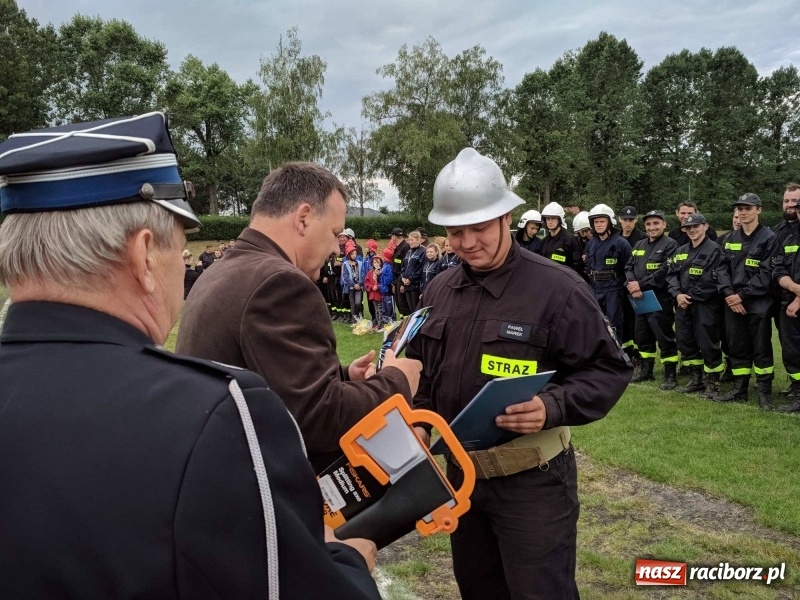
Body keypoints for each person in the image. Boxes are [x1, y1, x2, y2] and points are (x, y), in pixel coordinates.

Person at [0, 113, 381, 599]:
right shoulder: (219, 414)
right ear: (142, 257)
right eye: (179, 251)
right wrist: (349, 563)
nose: (182, 273)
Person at [407, 148, 631, 600]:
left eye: (480, 228)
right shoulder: (440, 289)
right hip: (462, 479)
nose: (467, 242)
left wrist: (553, 406)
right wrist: (415, 418)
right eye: (455, 231)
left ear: (507, 217)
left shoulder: (558, 289)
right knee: (478, 590)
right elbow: (423, 372)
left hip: (533, 483)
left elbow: (609, 369)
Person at [177, 162, 421, 472]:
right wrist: (397, 381)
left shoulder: (223, 270)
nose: (337, 248)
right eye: (335, 233)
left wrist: (342, 377)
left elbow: (266, 382)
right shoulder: (280, 283)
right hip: (258, 489)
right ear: (303, 218)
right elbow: (320, 419)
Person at [716, 193, 778, 409]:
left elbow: (766, 273)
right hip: (732, 301)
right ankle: (739, 388)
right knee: (736, 346)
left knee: (761, 347)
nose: (743, 213)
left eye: (748, 208)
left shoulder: (769, 238)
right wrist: (728, 294)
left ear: (759, 210)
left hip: (757, 302)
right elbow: (721, 269)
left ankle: (764, 392)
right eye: (740, 209)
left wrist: (741, 296)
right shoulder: (730, 238)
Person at [666, 213, 732, 398]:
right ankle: (697, 379)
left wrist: (690, 296)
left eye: (696, 226)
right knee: (685, 340)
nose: (692, 230)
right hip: (683, 304)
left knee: (707, 342)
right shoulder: (681, 251)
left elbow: (713, 279)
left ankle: (713, 381)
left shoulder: (715, 250)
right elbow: (671, 275)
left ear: (705, 226)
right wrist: (677, 294)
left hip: (706, 305)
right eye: (688, 228)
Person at [624, 210, 680, 388]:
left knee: (663, 336)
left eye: (656, 223)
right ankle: (646, 370)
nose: (652, 227)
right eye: (648, 224)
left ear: (664, 225)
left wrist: (640, 284)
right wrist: (632, 284)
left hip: (660, 298)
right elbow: (628, 267)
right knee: (642, 335)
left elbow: (664, 271)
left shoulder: (671, 245)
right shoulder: (639, 244)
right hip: (639, 297)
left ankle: (670, 373)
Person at [585, 204, 632, 340]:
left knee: (614, 324)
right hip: (595, 289)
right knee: (595, 323)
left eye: (602, 221)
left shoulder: (621, 243)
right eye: (596, 222)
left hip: (614, 290)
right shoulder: (591, 244)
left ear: (610, 222)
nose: (599, 225)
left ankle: (617, 356)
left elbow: (628, 268)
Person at [772, 199, 800, 412]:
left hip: (795, 302)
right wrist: (793, 288)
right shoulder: (789, 236)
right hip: (788, 301)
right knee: (791, 350)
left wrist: (799, 298)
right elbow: (778, 268)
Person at [540, 202, 582, 275]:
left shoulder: (570, 239)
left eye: (553, 218)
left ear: (560, 219)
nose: (550, 222)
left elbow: (577, 265)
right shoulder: (545, 241)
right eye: (548, 219)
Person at [400, 230, 426, 310]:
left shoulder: (423, 251)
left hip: (416, 285)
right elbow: (404, 266)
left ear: (418, 240)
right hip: (407, 284)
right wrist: (403, 277)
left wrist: (411, 279)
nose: (409, 242)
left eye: (412, 240)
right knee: (411, 309)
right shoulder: (409, 252)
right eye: (409, 240)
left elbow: (420, 268)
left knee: (417, 309)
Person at [390, 227, 411, 316]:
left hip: (402, 278)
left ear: (394, 236)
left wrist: (402, 283)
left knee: (403, 303)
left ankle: (407, 325)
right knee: (398, 302)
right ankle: (403, 323)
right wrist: (394, 283)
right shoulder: (398, 248)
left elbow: (406, 266)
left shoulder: (405, 247)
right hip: (396, 278)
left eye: (392, 236)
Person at [341, 242, 365, 323]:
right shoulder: (345, 264)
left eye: (355, 254)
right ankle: (355, 320)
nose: (354, 255)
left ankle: (359, 317)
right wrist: (354, 284)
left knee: (358, 303)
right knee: (353, 304)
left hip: (359, 287)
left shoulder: (360, 264)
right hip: (351, 287)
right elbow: (345, 276)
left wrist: (359, 283)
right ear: (348, 255)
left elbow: (363, 274)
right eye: (352, 254)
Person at [363, 255, 384, 330]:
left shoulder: (382, 272)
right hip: (373, 294)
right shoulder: (370, 273)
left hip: (380, 294)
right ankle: (378, 323)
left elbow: (383, 282)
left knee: (380, 309)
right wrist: (372, 287)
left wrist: (377, 286)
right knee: (376, 309)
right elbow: (366, 282)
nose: (376, 264)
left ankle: (380, 324)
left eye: (378, 262)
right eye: (375, 262)